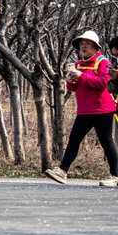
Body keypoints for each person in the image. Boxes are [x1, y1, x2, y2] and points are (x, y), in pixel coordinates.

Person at [44, 31, 118, 187]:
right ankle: (62, 171)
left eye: (88, 44)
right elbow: (74, 87)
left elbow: (102, 83)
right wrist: (71, 80)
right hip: (85, 110)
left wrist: (81, 76)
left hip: (102, 109)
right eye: (81, 44)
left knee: (106, 141)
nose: (84, 46)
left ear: (95, 47)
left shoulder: (102, 62)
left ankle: (115, 175)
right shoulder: (78, 64)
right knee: (74, 140)